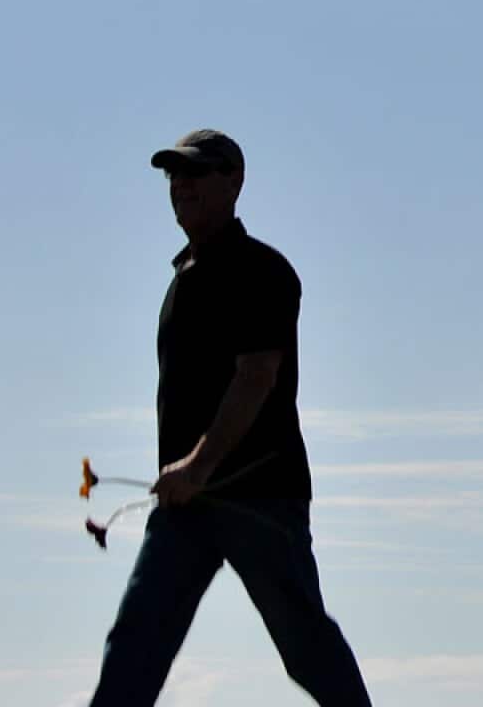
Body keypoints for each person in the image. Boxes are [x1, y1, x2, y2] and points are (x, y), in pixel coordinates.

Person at [89, 129, 372, 706]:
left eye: (195, 173)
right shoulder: (183, 277)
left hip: (258, 496)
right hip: (187, 505)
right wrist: (187, 478)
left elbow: (257, 378)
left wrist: (196, 465)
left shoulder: (261, 271)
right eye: (174, 175)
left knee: (305, 646)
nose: (182, 185)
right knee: (137, 642)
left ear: (235, 181)